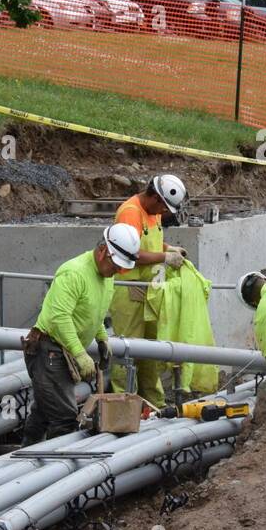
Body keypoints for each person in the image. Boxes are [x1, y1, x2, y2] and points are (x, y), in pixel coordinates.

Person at [23, 223, 140, 446]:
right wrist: (80, 353)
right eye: (116, 265)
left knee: (43, 412)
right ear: (104, 250)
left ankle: (24, 459)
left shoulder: (107, 276)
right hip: (49, 350)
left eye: (122, 268)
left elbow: (93, 312)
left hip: (61, 352)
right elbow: (60, 317)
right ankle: (57, 469)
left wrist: (102, 337)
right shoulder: (74, 273)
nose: (117, 271)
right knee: (64, 419)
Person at [108, 174, 188, 407]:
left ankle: (153, 404)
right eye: (163, 206)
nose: (164, 213)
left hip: (149, 288)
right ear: (154, 196)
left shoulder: (153, 213)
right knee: (128, 349)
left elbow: (147, 241)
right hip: (129, 289)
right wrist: (165, 256)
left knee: (151, 349)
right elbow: (130, 253)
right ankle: (124, 405)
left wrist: (168, 248)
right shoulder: (130, 212)